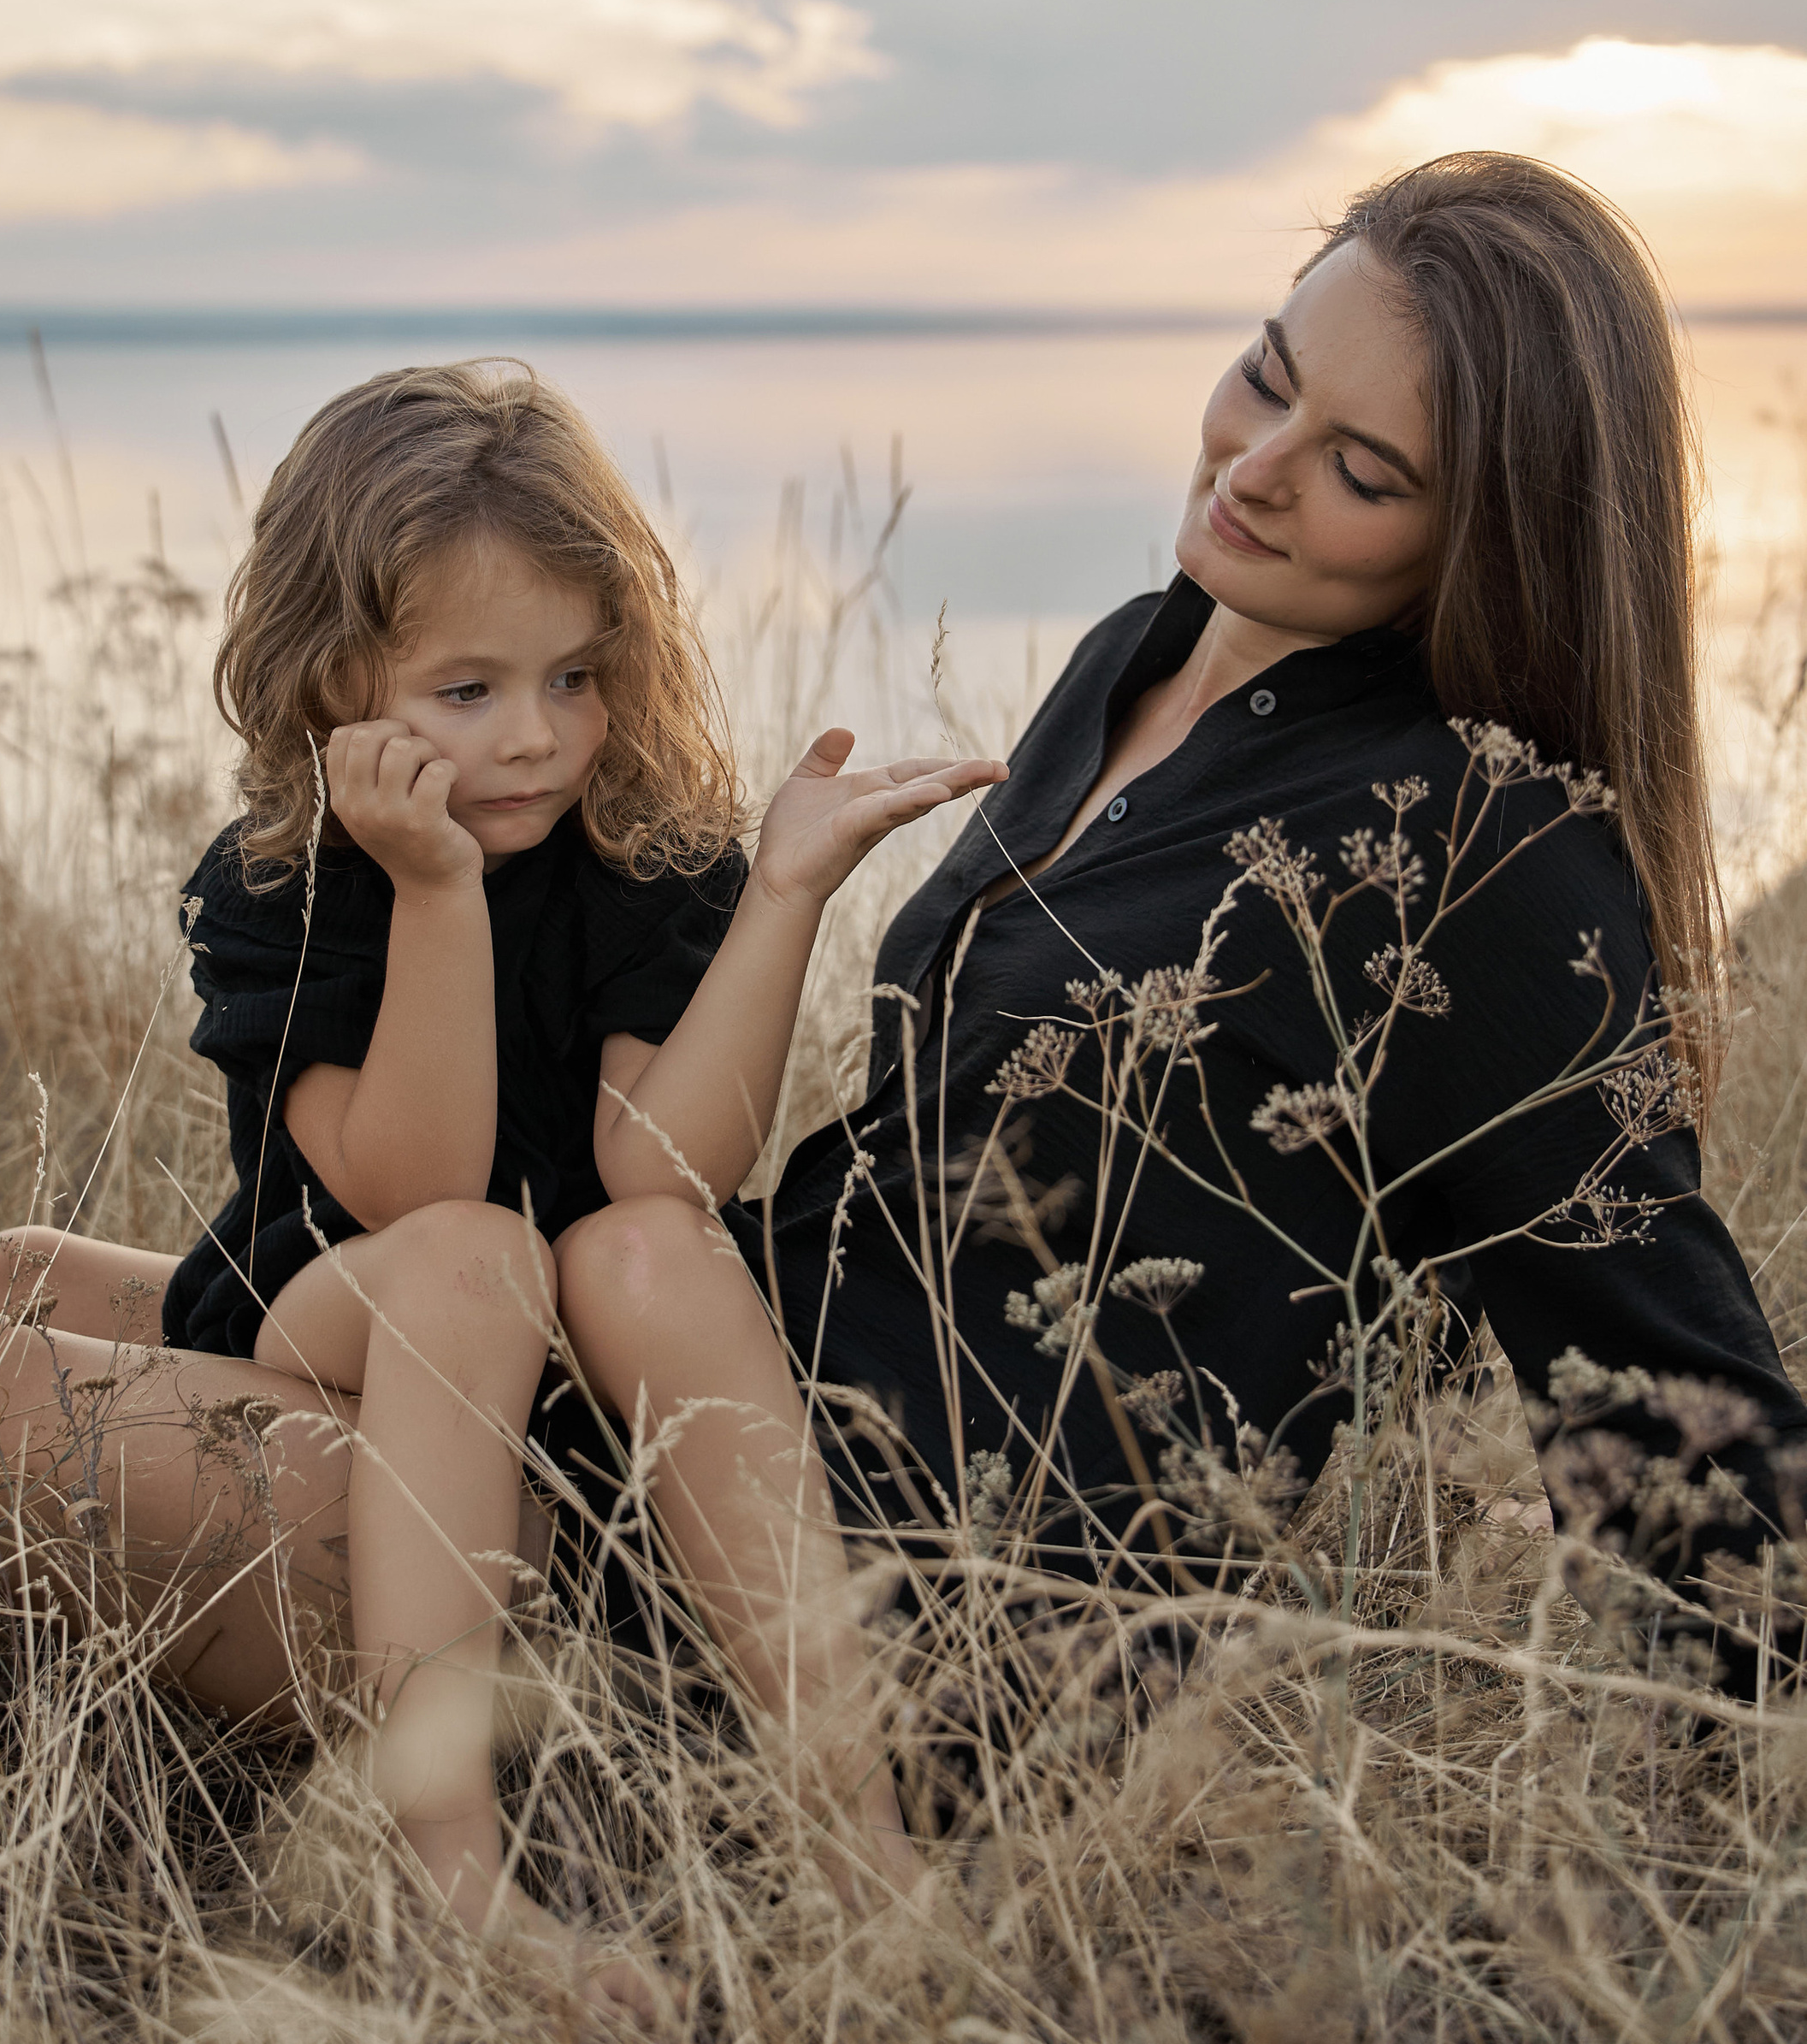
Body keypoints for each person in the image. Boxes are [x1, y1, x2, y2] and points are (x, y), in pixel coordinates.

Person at [0, 362, 1004, 2008]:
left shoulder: (654, 856)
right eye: (468, 690)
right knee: (431, 1256)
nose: (539, 737)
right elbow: (411, 1187)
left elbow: (667, 1171)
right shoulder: (292, 879)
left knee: (623, 1246)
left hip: (546, 1334)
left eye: (576, 674)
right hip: (332, 1303)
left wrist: (783, 893)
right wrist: (432, 890)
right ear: (336, 679)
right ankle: (443, 1868)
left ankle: (846, 1831)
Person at [559, 155, 1806, 1690]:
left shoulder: (1480, 852)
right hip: (709, 1383)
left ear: (1485, 540)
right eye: (1264, 379)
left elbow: (1685, 1419)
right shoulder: (1132, 659)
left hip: (862, 1607)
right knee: (202, 1318)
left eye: (1364, 472)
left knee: (187, 1435)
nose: (1256, 466)